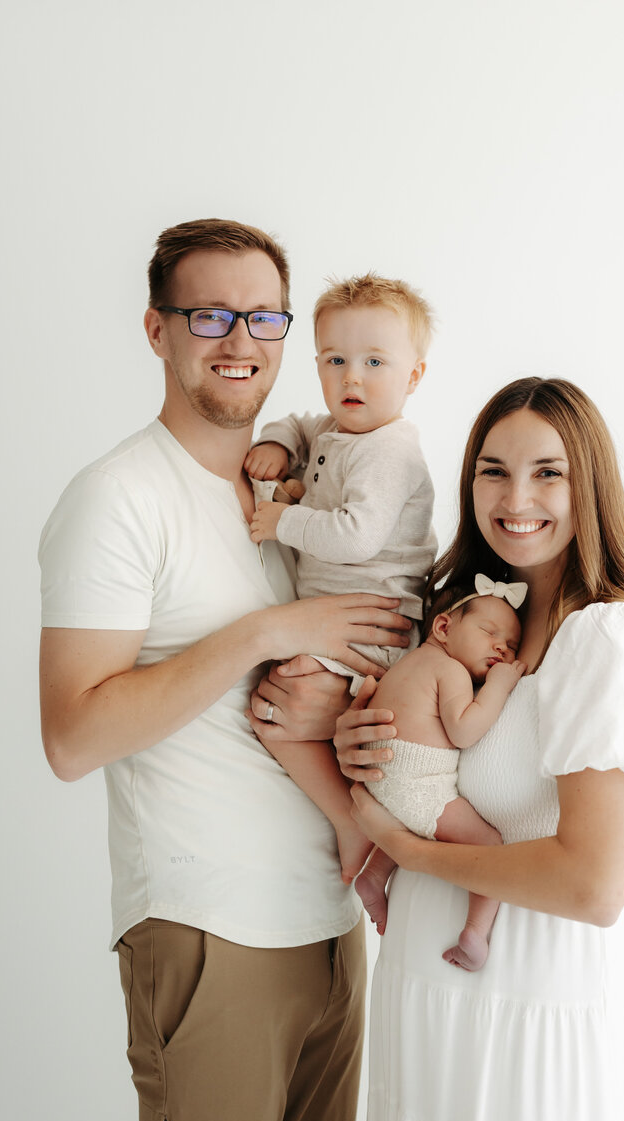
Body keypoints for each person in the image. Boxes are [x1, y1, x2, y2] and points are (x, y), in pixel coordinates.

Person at [38, 218, 413, 1121]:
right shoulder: (117, 498)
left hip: (330, 929)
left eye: (262, 316)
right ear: (157, 330)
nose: (238, 340)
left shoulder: (294, 491)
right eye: (208, 313)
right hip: (209, 930)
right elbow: (72, 737)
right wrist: (260, 635)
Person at [335, 377, 624, 1121]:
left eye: (548, 473)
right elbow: (436, 760)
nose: (516, 497)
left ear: (590, 486)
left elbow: (592, 885)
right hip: (432, 998)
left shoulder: (602, 637)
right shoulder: (463, 619)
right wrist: (368, 742)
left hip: (536, 1003)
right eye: (492, 471)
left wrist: (406, 849)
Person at [245, 273, 437, 882]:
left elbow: (356, 535)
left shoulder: (389, 450)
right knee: (287, 705)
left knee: (275, 712)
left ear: (413, 377)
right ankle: (355, 818)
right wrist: (277, 442)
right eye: (335, 359)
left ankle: (352, 822)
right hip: (338, 616)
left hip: (374, 622)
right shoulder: (336, 427)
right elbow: (300, 425)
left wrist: (284, 520)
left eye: (374, 361)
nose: (351, 377)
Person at [355, 576, 526, 970]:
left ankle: (373, 875)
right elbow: (465, 731)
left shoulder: (409, 663)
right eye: (489, 632)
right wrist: (498, 687)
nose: (501, 646)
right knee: (490, 847)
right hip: (416, 782)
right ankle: (475, 933)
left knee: (411, 820)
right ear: (444, 627)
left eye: (512, 644)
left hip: (384, 780)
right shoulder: (451, 671)